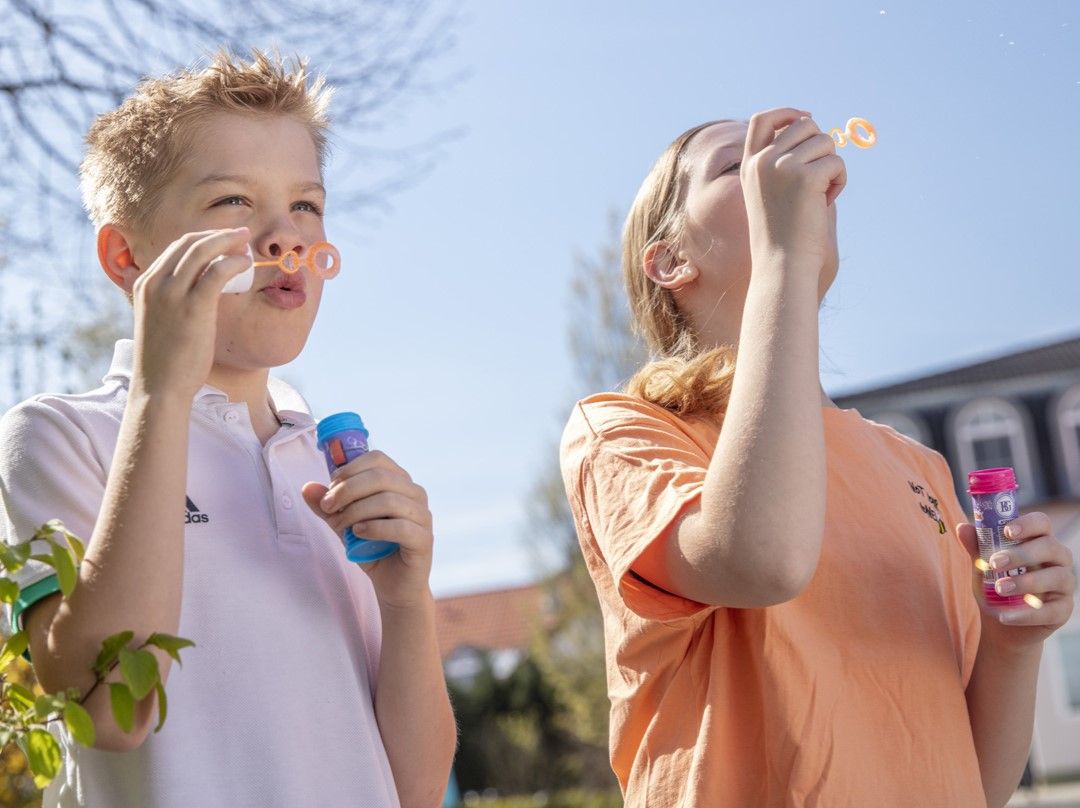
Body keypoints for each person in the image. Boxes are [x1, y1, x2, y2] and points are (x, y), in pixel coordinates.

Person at [559, 108, 1075, 807]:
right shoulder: (624, 433)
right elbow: (763, 560)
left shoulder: (916, 466)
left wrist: (1016, 639)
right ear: (671, 259)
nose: (774, 168)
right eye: (736, 165)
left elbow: (975, 782)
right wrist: (785, 258)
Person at [0, 51, 456, 807]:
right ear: (127, 257)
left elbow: (412, 787)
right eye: (235, 203)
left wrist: (408, 602)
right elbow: (113, 710)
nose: (284, 237)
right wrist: (160, 395)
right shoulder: (57, 438)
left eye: (306, 206)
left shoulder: (332, 463)